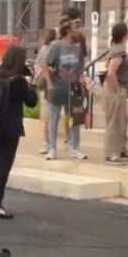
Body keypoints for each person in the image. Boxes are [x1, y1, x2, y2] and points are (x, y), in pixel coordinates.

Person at [0, 45, 38, 219]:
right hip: (9, 127)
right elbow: (31, 102)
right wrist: (33, 83)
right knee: (3, 165)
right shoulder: (18, 81)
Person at [41, 15, 89, 161]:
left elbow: (80, 68)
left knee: (74, 119)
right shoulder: (56, 46)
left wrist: (82, 82)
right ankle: (52, 149)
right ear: (68, 30)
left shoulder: (77, 49)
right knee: (54, 119)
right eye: (76, 27)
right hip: (58, 87)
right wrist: (49, 84)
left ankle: (75, 148)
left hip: (73, 88)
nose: (78, 31)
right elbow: (46, 66)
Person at [102, 24, 128, 165]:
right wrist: (117, 90)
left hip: (120, 89)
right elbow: (111, 72)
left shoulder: (119, 49)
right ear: (124, 34)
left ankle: (122, 149)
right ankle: (112, 153)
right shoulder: (118, 51)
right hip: (116, 90)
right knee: (115, 122)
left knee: (123, 120)